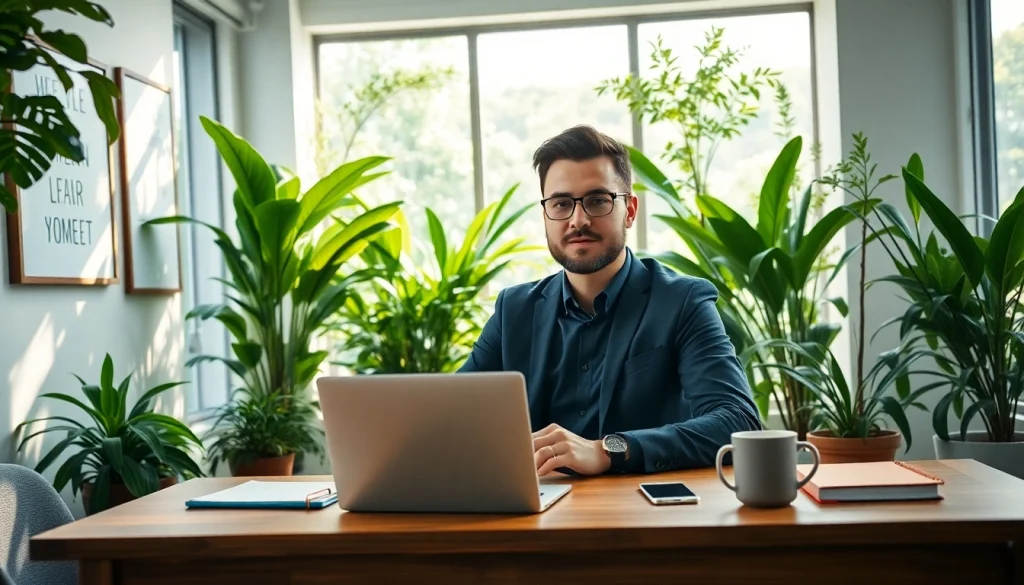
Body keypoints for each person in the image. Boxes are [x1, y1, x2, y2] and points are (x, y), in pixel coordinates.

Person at [459, 124, 762, 476]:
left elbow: (737, 422)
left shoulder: (682, 301)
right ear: (545, 214)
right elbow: (452, 414)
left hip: (644, 513)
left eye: (598, 201)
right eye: (561, 204)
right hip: (539, 511)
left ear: (630, 210)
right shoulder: (514, 310)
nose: (578, 220)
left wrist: (609, 449)